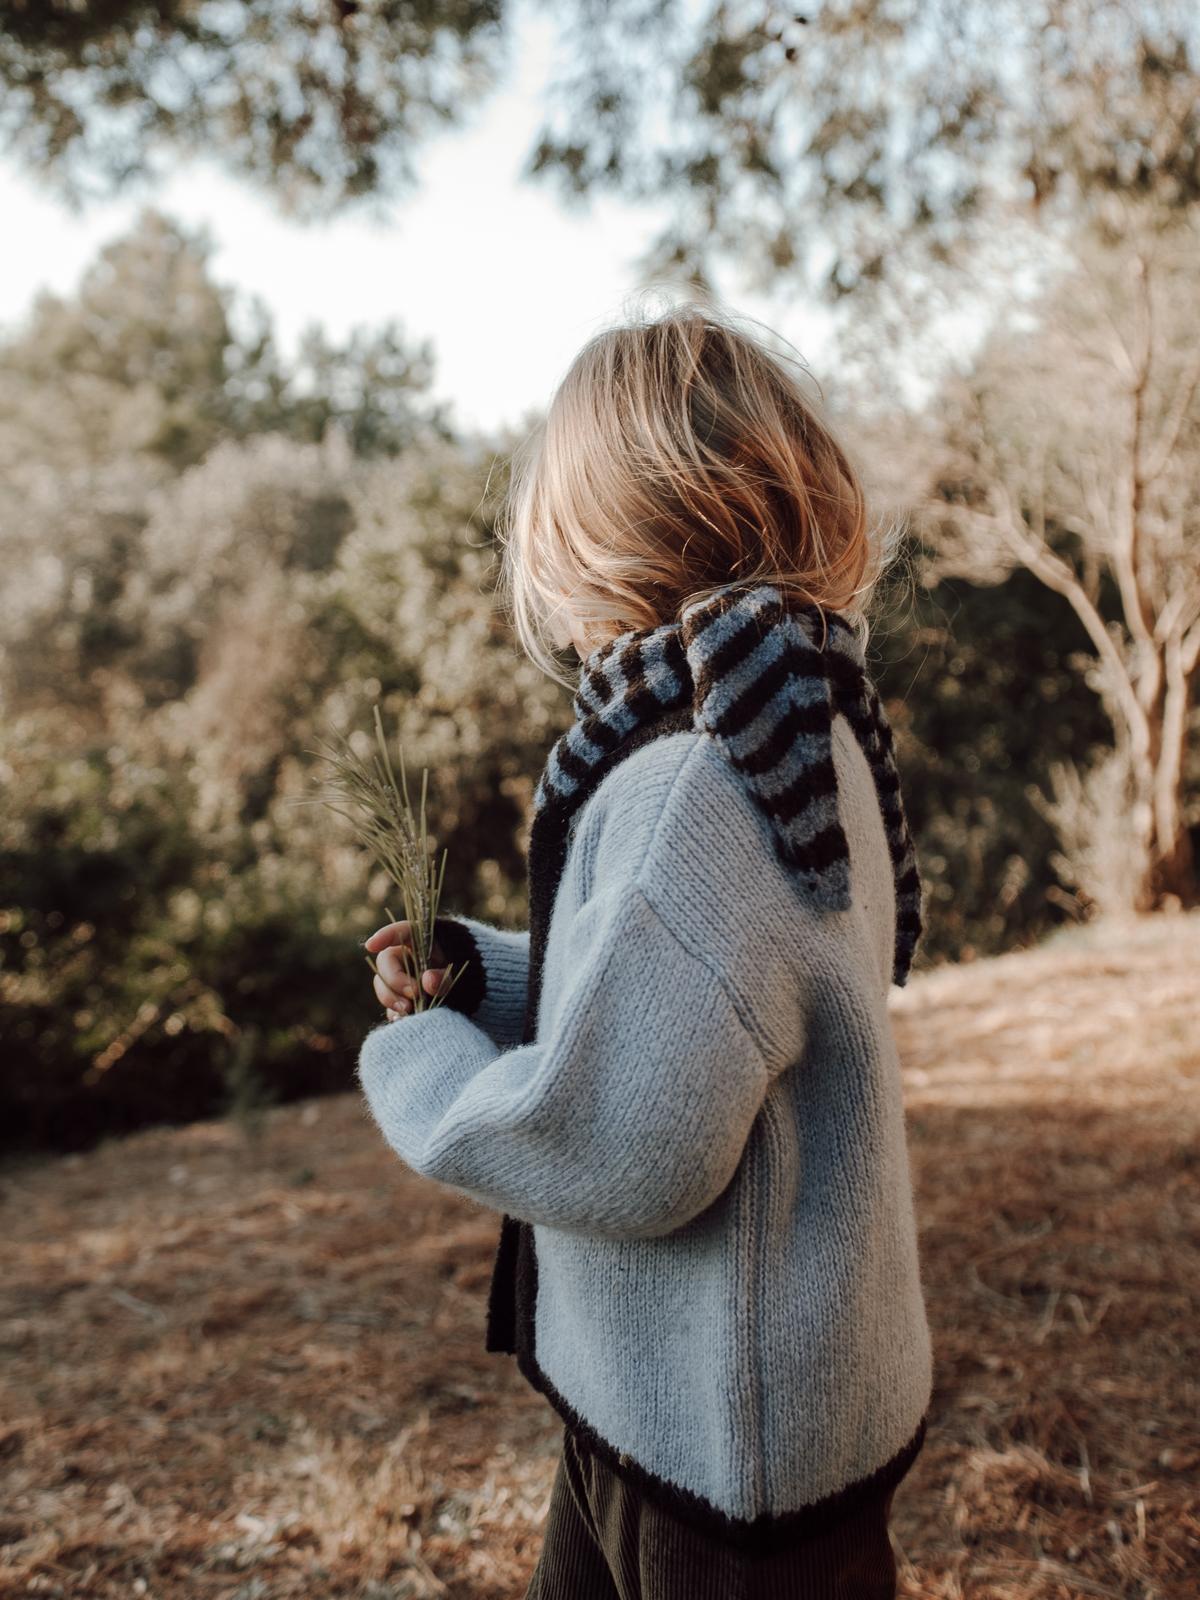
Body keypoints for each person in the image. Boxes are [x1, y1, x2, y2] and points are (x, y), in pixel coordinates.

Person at [357, 300, 933, 1599]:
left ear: (589, 538)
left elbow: (631, 1139)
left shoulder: (697, 778)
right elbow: (694, 983)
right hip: (690, 1403)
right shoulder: (794, 717)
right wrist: (490, 975)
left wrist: (427, 1064)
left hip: (723, 1458)